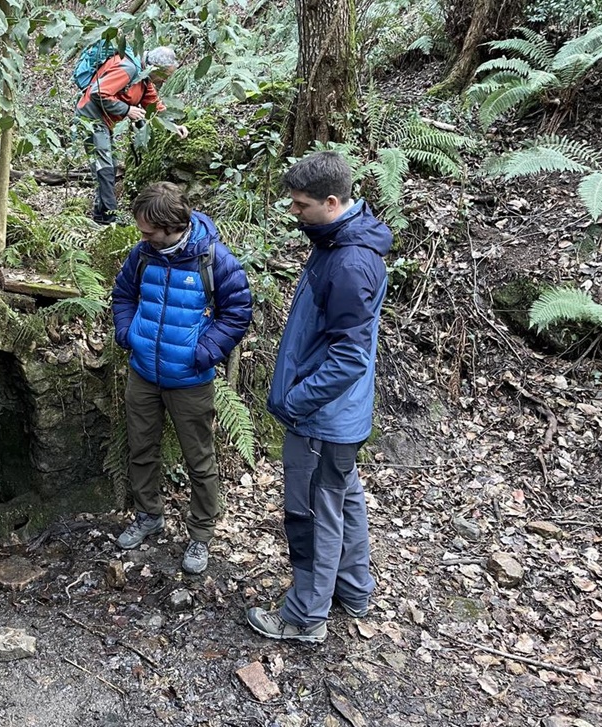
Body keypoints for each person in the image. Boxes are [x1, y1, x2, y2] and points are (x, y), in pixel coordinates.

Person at [246, 151, 392, 643]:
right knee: (342, 499)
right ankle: (353, 589)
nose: (295, 213)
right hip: (336, 416)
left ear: (333, 202)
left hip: (323, 418)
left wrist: (297, 402)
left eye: (301, 205)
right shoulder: (339, 240)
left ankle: (304, 617)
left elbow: (349, 358)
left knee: (311, 514)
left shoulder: (349, 261)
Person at [112, 182, 253, 574]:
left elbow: (237, 312)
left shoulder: (215, 260)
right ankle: (148, 516)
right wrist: (128, 334)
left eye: (148, 231)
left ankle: (201, 534)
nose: (142, 237)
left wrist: (204, 352)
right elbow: (123, 295)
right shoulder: (142, 255)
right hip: (143, 373)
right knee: (141, 450)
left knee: (199, 459)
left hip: (190, 380)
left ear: (172, 225)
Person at [76, 46, 190, 225]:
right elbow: (98, 92)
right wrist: (127, 110)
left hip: (104, 121)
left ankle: (100, 215)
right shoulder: (128, 69)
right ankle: (108, 219)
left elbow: (154, 106)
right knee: (104, 167)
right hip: (91, 117)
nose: (166, 80)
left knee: (109, 166)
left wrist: (173, 126)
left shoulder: (144, 79)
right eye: (166, 75)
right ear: (155, 68)